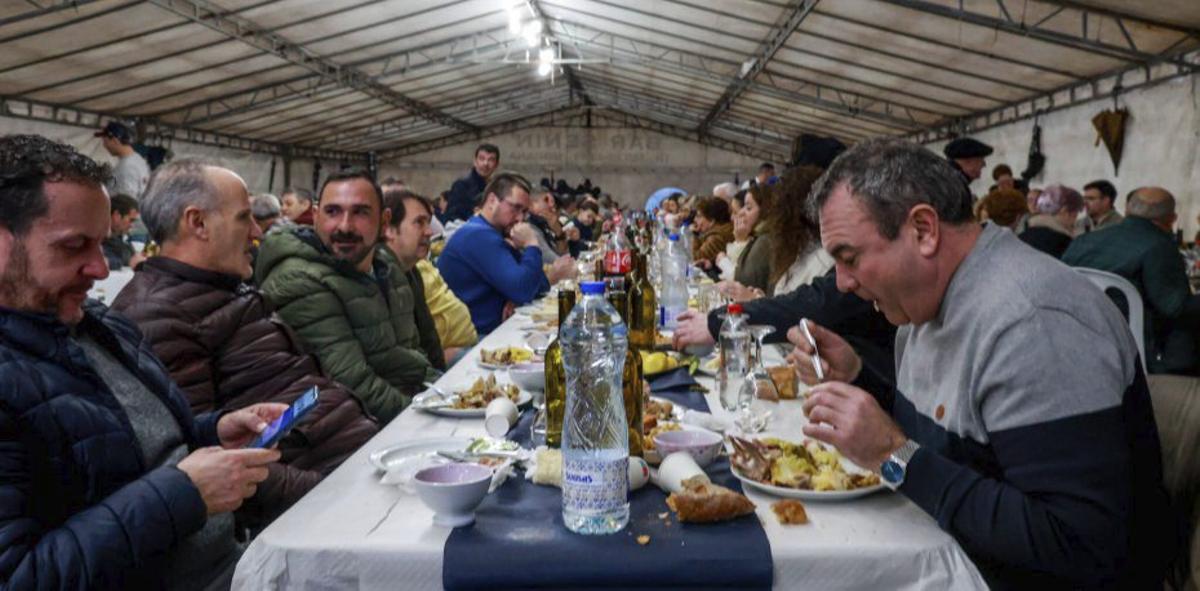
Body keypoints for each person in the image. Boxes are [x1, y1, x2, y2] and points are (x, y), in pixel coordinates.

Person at [789, 138, 1174, 589]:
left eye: (849, 258)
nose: (843, 283)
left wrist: (894, 458)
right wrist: (859, 379)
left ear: (924, 230)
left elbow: (1080, 544)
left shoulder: (1032, 321)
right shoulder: (924, 303)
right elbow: (955, 443)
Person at [0, 134, 282, 589]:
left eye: (102, 244)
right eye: (74, 246)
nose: (99, 268)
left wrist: (212, 430)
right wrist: (183, 494)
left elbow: (129, 449)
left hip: (235, 563)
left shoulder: (98, 325)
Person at [112, 160, 379, 528]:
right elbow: (206, 463)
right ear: (198, 223)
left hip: (358, 458)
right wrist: (328, 494)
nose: (257, 232)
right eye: (244, 218)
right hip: (327, 495)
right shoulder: (158, 316)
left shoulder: (224, 287)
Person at [256, 169, 444, 423]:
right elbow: (354, 385)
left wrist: (448, 393)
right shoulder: (299, 280)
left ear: (384, 221)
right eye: (332, 212)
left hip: (409, 408)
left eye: (360, 213)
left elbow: (414, 356)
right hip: (365, 430)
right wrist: (432, 416)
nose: (344, 226)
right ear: (314, 216)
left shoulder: (386, 269)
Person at [1064, 187, 1200, 374]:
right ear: (1172, 219)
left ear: (1127, 211)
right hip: (1136, 349)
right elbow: (1174, 307)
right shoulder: (1158, 246)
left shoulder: (1082, 241)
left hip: (1077, 340)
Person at [438, 172, 576, 334]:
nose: (520, 218)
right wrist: (531, 244)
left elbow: (532, 282)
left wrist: (515, 296)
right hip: (473, 339)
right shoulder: (478, 235)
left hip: (492, 330)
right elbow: (524, 289)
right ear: (492, 201)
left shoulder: (492, 233)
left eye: (524, 212)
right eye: (515, 208)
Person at [382, 188, 475, 363]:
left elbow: (428, 339)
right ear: (389, 229)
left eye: (429, 223)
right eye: (419, 223)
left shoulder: (412, 272)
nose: (429, 232)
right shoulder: (381, 278)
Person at [1018, 183, 1082, 259]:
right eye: (1075, 214)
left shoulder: (1021, 237)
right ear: (1064, 211)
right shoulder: (1065, 244)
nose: (1074, 221)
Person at [444, 143, 499, 222]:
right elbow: (451, 217)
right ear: (475, 161)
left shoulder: (496, 188)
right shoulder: (461, 185)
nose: (485, 163)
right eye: (481, 158)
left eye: (491, 160)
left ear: (496, 165)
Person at [95, 120, 150, 199]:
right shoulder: (139, 160)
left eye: (105, 141)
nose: (104, 145)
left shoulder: (127, 167)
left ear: (115, 141)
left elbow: (126, 203)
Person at [103, 192, 147, 270]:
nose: (131, 225)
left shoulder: (119, 239)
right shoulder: (98, 238)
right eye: (131, 220)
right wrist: (130, 260)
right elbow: (105, 260)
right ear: (117, 216)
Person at [527, 188, 568, 262]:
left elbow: (562, 254)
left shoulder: (544, 225)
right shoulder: (529, 227)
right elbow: (553, 260)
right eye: (546, 201)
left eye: (553, 203)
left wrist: (559, 233)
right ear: (531, 205)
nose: (552, 207)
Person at [691, 197, 734, 268]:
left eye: (699, 216)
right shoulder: (724, 228)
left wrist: (695, 235)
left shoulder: (716, 237)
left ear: (711, 220)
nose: (695, 219)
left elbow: (697, 259)